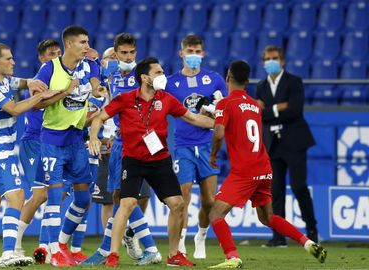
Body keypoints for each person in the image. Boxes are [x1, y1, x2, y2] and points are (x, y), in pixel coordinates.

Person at [89, 57, 215, 267]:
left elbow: (193, 118)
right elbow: (98, 118)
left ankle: (174, 255)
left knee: (177, 204)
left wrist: (220, 124)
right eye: (158, 72)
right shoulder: (125, 99)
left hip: (159, 160)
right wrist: (93, 136)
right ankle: (113, 254)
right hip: (133, 161)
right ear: (145, 78)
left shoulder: (166, 99)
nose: (162, 76)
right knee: (127, 203)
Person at [207, 60, 326, 268]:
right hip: (264, 168)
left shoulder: (224, 103)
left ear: (228, 77)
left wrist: (213, 154)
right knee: (268, 217)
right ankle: (307, 243)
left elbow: (218, 132)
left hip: (244, 171)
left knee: (215, 214)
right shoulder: (255, 105)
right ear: (246, 81)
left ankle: (232, 257)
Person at [0, 43, 55, 267]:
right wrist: (42, 96)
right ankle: (8, 253)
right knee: (17, 197)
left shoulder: (3, 80)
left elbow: (19, 82)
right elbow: (14, 109)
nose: (13, 62)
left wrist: (31, 82)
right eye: (9, 59)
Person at [82, 34, 160, 266]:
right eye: (123, 53)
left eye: (131, 53)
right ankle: (108, 248)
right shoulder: (110, 76)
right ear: (115, 54)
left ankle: (149, 247)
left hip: (141, 143)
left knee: (132, 197)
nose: (128, 57)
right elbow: (99, 99)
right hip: (119, 142)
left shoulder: (144, 77)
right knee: (118, 196)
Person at [31, 25, 101, 266]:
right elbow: (36, 104)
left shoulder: (88, 65)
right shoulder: (49, 68)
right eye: (82, 42)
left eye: (88, 41)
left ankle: (61, 243)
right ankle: (53, 252)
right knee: (54, 197)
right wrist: (64, 92)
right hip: (52, 140)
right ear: (69, 44)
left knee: (83, 199)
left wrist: (95, 86)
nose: (87, 46)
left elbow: (95, 82)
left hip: (75, 140)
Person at [165, 34, 227, 259]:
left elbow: (224, 111)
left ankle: (200, 236)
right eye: (189, 52)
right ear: (181, 53)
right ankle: (180, 242)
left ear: (203, 54)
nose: (193, 56)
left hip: (207, 144)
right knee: (183, 195)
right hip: (183, 145)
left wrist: (211, 110)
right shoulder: (172, 83)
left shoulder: (215, 79)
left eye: (197, 52)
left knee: (210, 201)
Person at [255, 45, 318, 247]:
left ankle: (311, 230)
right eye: (267, 59)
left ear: (282, 61)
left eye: (274, 58)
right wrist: (278, 107)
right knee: (276, 191)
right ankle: (278, 236)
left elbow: (294, 111)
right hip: (273, 144)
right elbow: (259, 115)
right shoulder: (261, 86)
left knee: (299, 187)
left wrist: (269, 109)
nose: (270, 62)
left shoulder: (294, 82)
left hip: (294, 142)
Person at [15, 39, 62, 262]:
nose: (56, 56)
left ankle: (48, 245)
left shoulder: (60, 77)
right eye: (51, 54)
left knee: (54, 194)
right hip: (34, 142)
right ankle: (13, 243)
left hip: (50, 143)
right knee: (40, 194)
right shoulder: (40, 81)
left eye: (58, 52)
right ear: (42, 59)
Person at [91, 46, 118, 230]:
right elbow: (91, 115)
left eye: (118, 57)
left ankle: (132, 236)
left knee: (140, 195)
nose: (115, 61)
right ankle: (107, 244)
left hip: (128, 144)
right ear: (103, 62)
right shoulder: (98, 88)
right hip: (105, 148)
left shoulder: (129, 85)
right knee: (107, 199)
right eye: (111, 57)